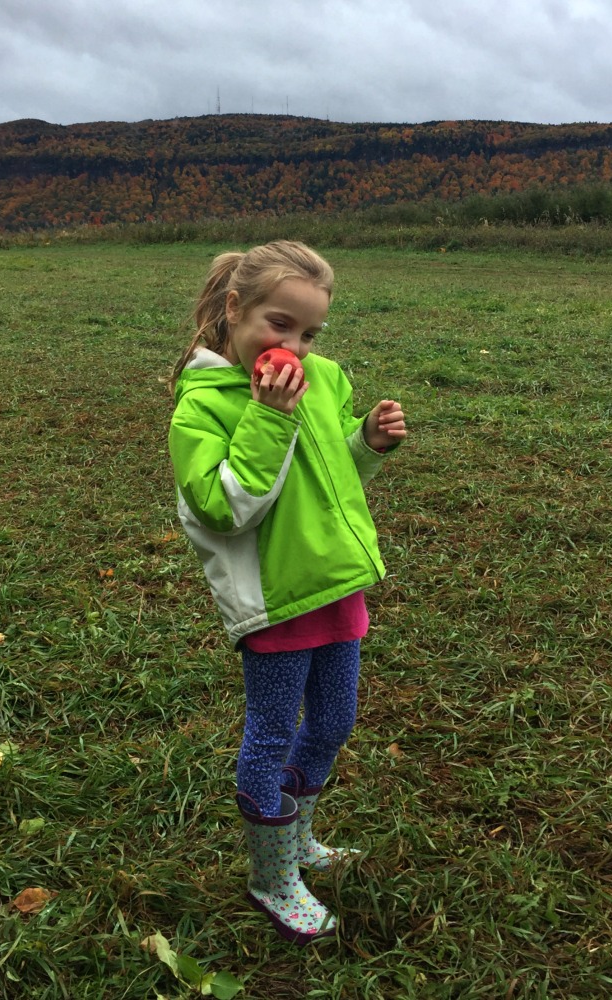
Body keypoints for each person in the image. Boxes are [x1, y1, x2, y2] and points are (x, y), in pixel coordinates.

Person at [168, 240, 406, 944]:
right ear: (233, 308)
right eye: (280, 324)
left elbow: (332, 473)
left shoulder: (322, 381)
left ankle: (298, 839)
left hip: (335, 584)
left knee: (333, 721)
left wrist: (366, 441)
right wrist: (268, 418)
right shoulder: (201, 410)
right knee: (271, 735)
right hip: (275, 604)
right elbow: (225, 509)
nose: (295, 347)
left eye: (310, 333)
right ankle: (271, 877)